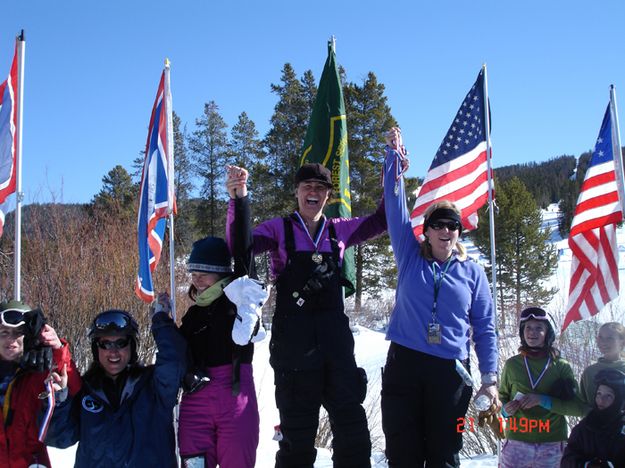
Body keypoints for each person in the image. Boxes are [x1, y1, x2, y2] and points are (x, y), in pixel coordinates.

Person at [226, 162, 386, 467]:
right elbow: (239, 246)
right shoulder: (279, 229)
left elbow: (382, 220)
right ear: (297, 192)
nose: (313, 192)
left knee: (353, 436)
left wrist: (390, 178)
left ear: (327, 195)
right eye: (307, 187)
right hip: (294, 353)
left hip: (336, 350)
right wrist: (239, 199)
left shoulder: (339, 230)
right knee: (296, 444)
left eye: (320, 188)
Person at [381, 127, 499, 467]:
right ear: (427, 230)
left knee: (444, 454)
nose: (446, 230)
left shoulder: (473, 273)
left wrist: (490, 379)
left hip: (450, 371)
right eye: (438, 224)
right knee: (403, 454)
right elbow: (394, 206)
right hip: (404, 364)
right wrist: (393, 158)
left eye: (452, 225)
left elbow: (486, 328)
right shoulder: (409, 255)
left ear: (459, 231)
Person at [177, 165, 267, 468]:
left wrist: (239, 199)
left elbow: (244, 251)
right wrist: (161, 321)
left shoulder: (239, 299)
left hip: (235, 395)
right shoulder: (192, 315)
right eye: (195, 272)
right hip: (195, 402)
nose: (199, 279)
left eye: (207, 273)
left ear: (222, 274)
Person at [44, 305, 186, 467]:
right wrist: (60, 401)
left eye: (121, 343)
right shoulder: (86, 392)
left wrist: (161, 321)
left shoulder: (154, 385)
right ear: (95, 348)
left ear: (132, 346)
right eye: (105, 344)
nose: (113, 352)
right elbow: (60, 438)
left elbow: (175, 361)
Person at [499, 306, 586, 468]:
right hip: (517, 443)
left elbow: (578, 408)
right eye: (528, 328)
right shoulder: (512, 365)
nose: (532, 332)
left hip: (551, 445)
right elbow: (502, 397)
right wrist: (505, 410)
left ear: (548, 333)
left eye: (539, 328)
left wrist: (544, 400)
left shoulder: (561, 366)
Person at [0, 300, 81, 468]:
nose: (10, 340)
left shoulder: (38, 373)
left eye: (18, 333)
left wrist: (57, 348)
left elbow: (75, 388)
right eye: (4, 333)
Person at [561, 369, 625, 467]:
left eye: (608, 396)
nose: (601, 400)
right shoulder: (584, 427)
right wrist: (585, 465)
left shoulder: (622, 431)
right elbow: (567, 460)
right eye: (599, 393)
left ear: (618, 401)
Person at [579, 322, 625, 408]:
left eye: (609, 338)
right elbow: (583, 405)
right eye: (600, 337)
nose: (603, 342)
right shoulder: (589, 372)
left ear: (622, 342)